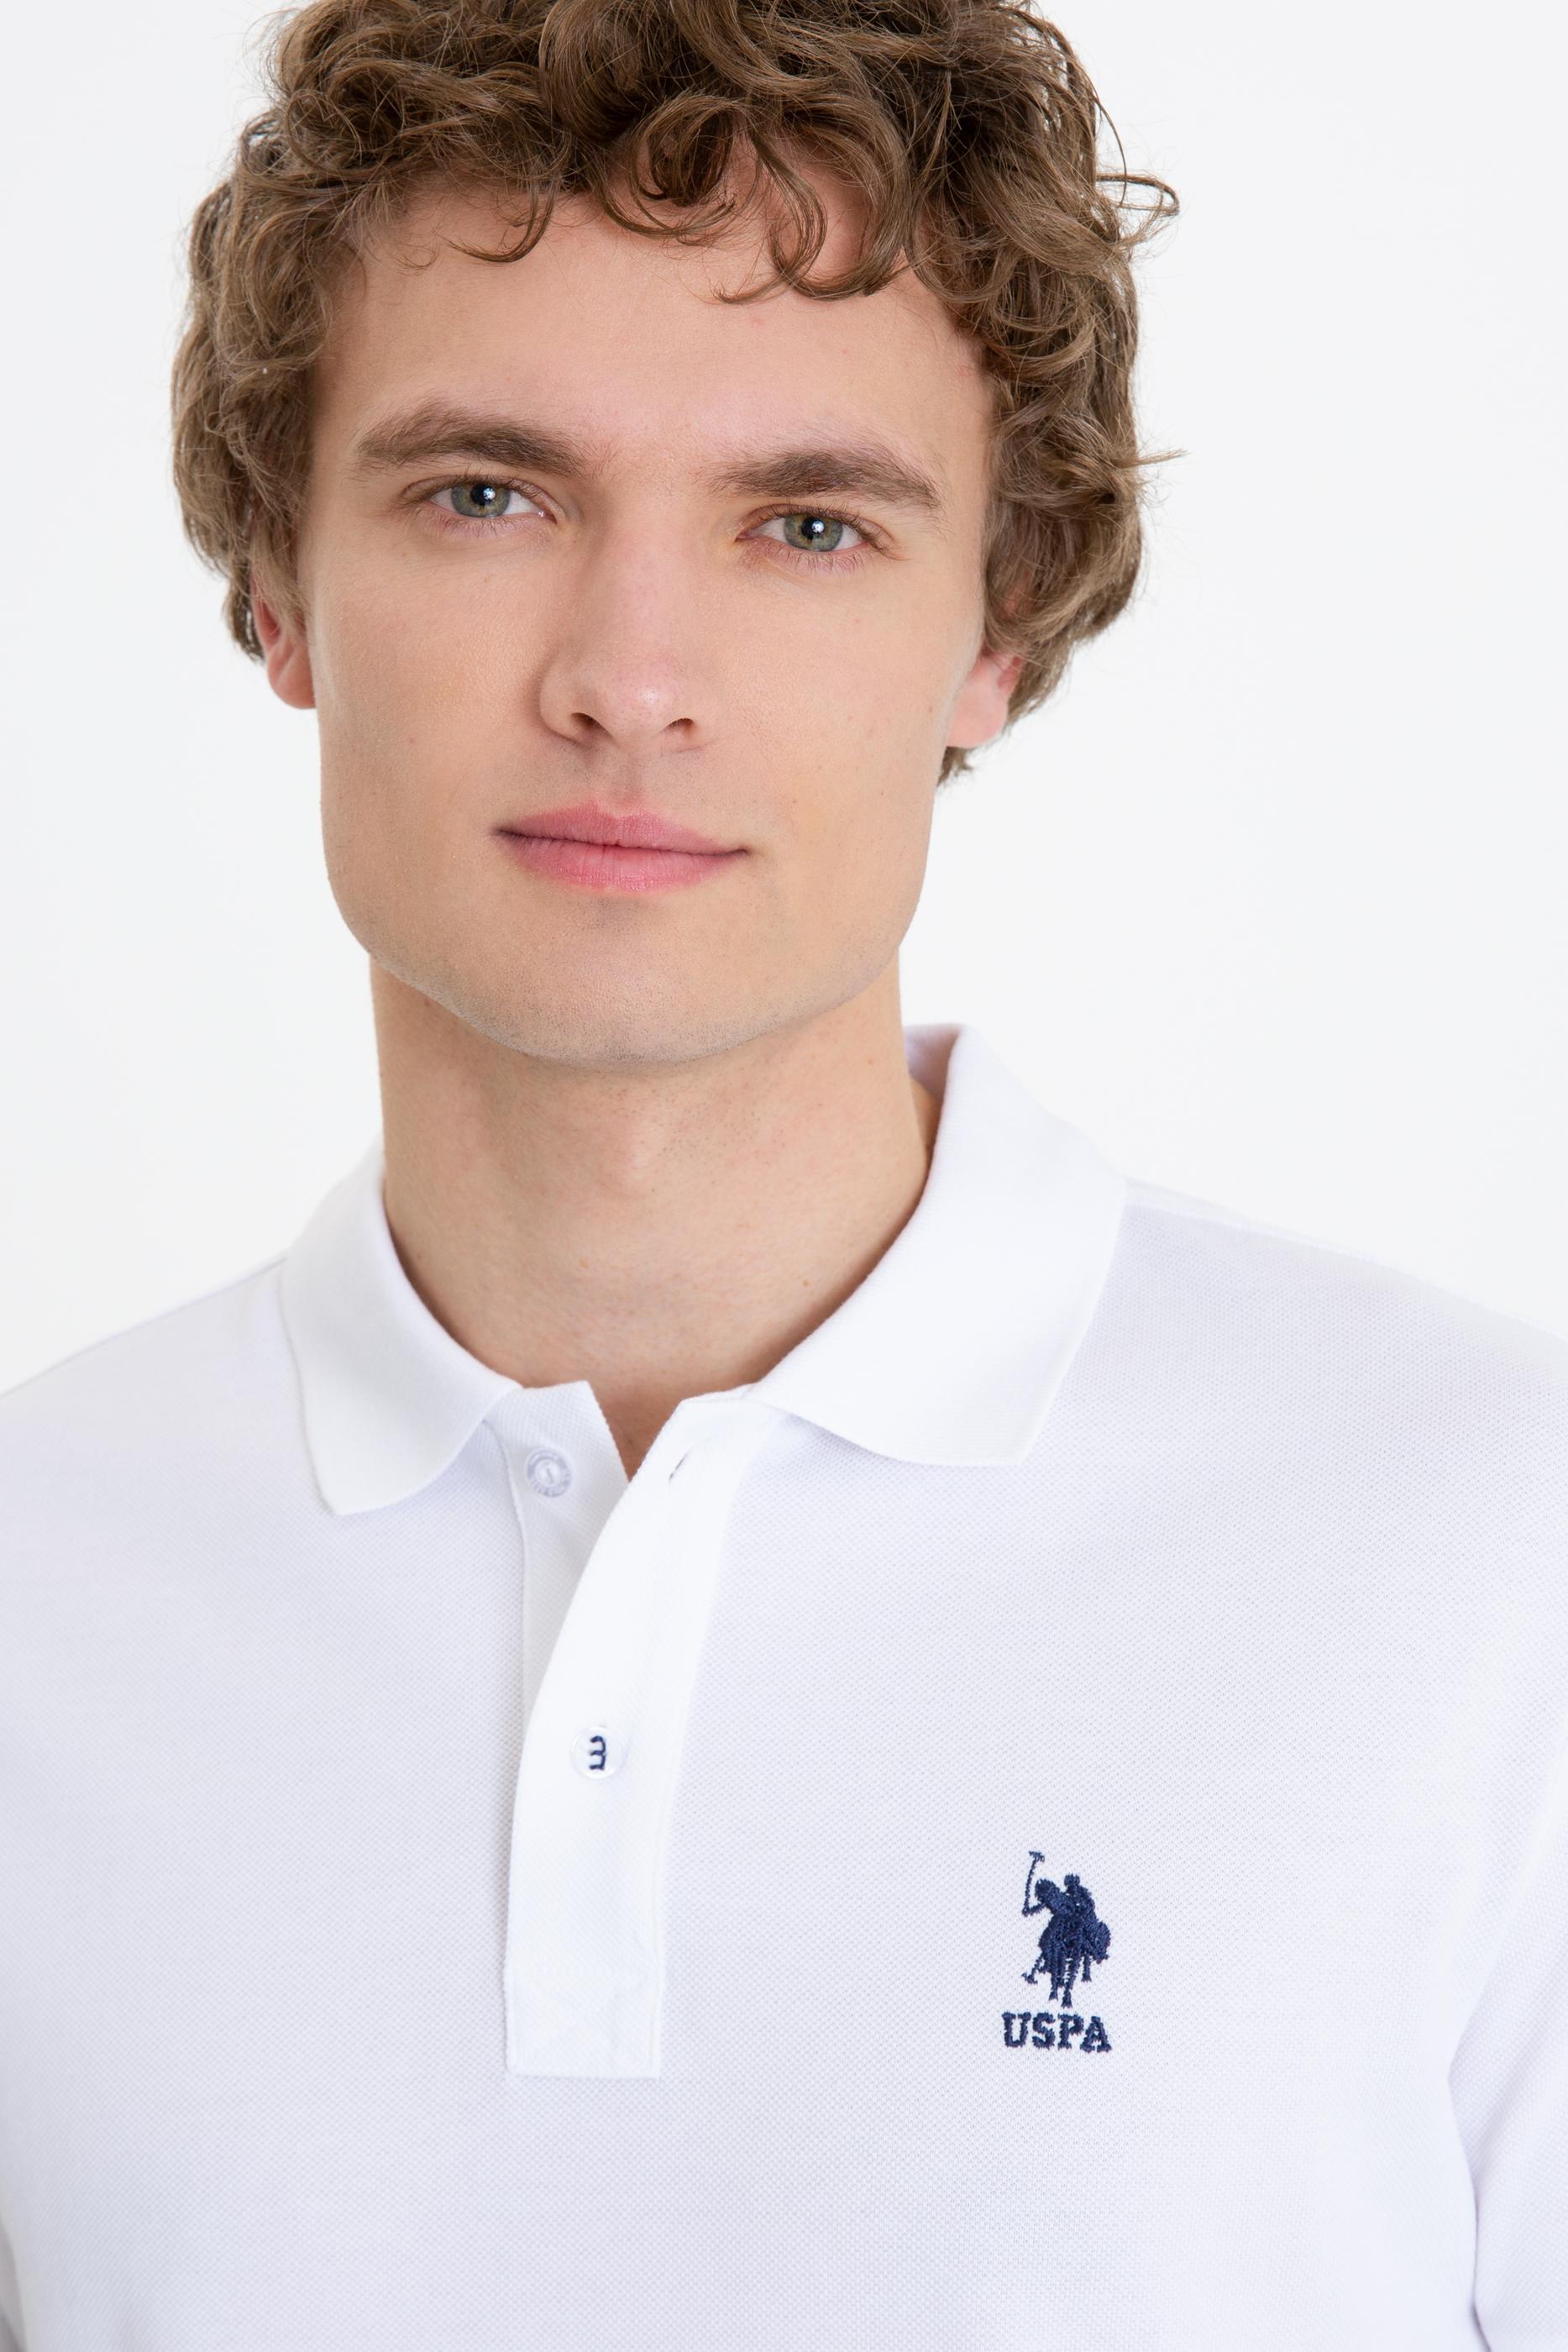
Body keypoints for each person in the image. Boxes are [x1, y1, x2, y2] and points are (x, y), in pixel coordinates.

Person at [1, 1, 1563, 2344]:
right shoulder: (34, 1590)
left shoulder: (1500, 1551)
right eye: (486, 495)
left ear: (995, 635)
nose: (632, 677)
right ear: (276, 590)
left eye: (807, 525)